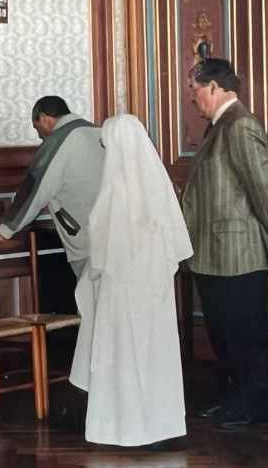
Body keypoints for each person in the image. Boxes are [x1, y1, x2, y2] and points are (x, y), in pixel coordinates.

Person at [70, 114, 192, 447]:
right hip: (154, 294)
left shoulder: (114, 192)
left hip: (120, 295)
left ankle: (121, 428)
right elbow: (172, 248)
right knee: (154, 356)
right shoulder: (155, 187)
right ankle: (159, 427)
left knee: (122, 357)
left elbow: (99, 252)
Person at [181, 58, 268, 430]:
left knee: (244, 334)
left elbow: (260, 182)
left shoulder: (240, 124)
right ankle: (233, 401)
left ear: (212, 86)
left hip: (237, 251)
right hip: (214, 252)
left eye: (193, 91)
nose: (191, 100)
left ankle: (254, 406)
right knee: (225, 334)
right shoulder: (220, 126)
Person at [0, 96, 105, 279]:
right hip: (114, 231)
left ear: (44, 118)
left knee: (92, 298)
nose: (39, 135)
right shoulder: (97, 131)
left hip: (86, 236)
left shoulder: (57, 141)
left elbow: (35, 189)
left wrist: (7, 229)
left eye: (36, 127)